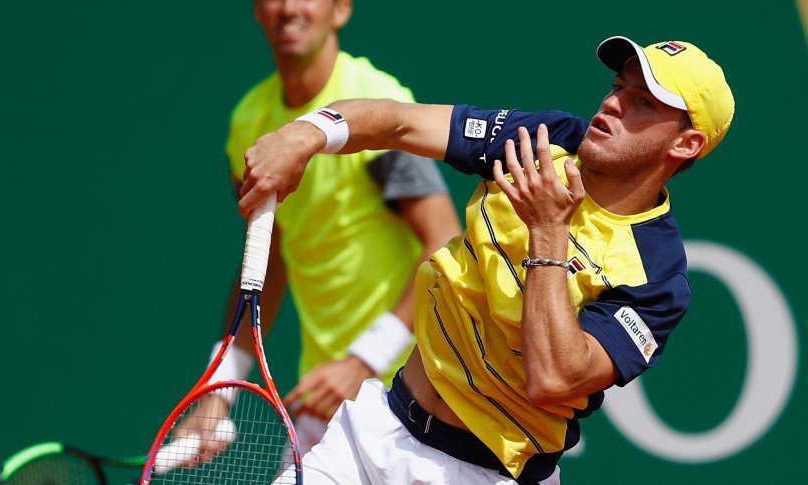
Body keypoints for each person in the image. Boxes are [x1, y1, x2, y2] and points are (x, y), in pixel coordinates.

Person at [238, 35, 735, 484]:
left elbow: (555, 378)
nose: (611, 103)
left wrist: (548, 233)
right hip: (376, 429)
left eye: (642, 102)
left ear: (686, 143)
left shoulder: (658, 276)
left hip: (485, 474)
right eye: (618, 87)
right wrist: (306, 133)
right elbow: (402, 122)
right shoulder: (546, 140)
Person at [175, 0, 461, 460]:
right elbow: (268, 260)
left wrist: (364, 359)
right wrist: (219, 389)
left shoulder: (375, 104)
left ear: (341, 9)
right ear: (257, 10)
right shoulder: (249, 122)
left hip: (415, 396)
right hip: (327, 399)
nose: (289, 7)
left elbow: (444, 241)